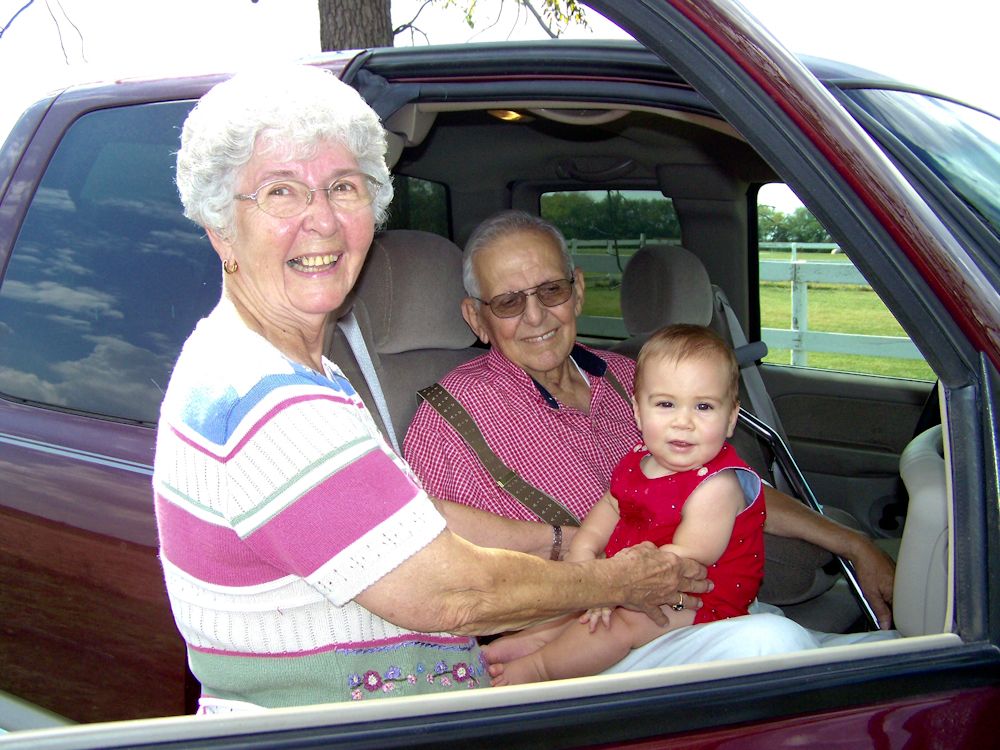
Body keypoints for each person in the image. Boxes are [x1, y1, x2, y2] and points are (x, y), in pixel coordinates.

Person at [153, 65, 711, 712]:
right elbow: (448, 593)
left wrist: (557, 547)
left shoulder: (295, 370)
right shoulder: (260, 400)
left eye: (343, 187)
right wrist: (613, 580)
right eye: (281, 193)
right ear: (222, 229)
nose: (324, 222)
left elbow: (409, 525)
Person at [404, 210, 897, 632]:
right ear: (476, 318)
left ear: (577, 292)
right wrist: (570, 545)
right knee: (782, 645)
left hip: (695, 613)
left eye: (550, 290)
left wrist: (853, 544)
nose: (536, 317)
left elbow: (721, 483)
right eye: (509, 302)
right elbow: (421, 537)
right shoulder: (448, 417)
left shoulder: (634, 380)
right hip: (579, 635)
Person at [485, 324, 766, 685]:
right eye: (666, 404)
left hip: (696, 599)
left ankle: (538, 669)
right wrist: (586, 552)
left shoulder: (718, 484)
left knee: (622, 623)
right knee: (570, 611)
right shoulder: (637, 459)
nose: (684, 421)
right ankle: (531, 641)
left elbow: (687, 559)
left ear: (730, 419)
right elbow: (610, 508)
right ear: (637, 411)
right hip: (630, 579)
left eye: (704, 406)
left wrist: (612, 584)